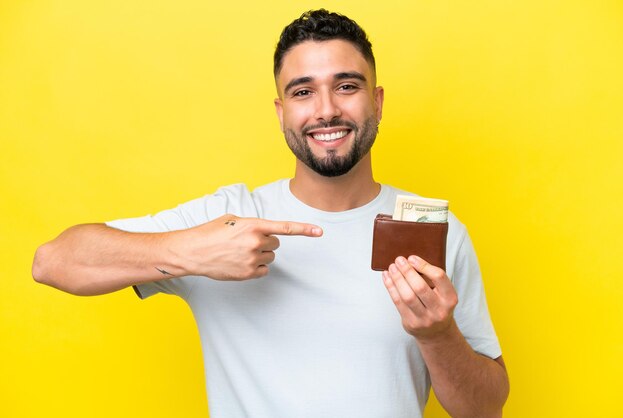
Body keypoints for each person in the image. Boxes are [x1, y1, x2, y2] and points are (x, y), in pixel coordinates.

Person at [33, 9, 509, 418]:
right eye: (303, 92)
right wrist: (188, 251)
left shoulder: (435, 235)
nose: (326, 110)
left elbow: (485, 408)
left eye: (346, 86)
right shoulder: (229, 217)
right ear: (281, 112)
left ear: (377, 101)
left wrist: (439, 335)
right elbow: (53, 262)